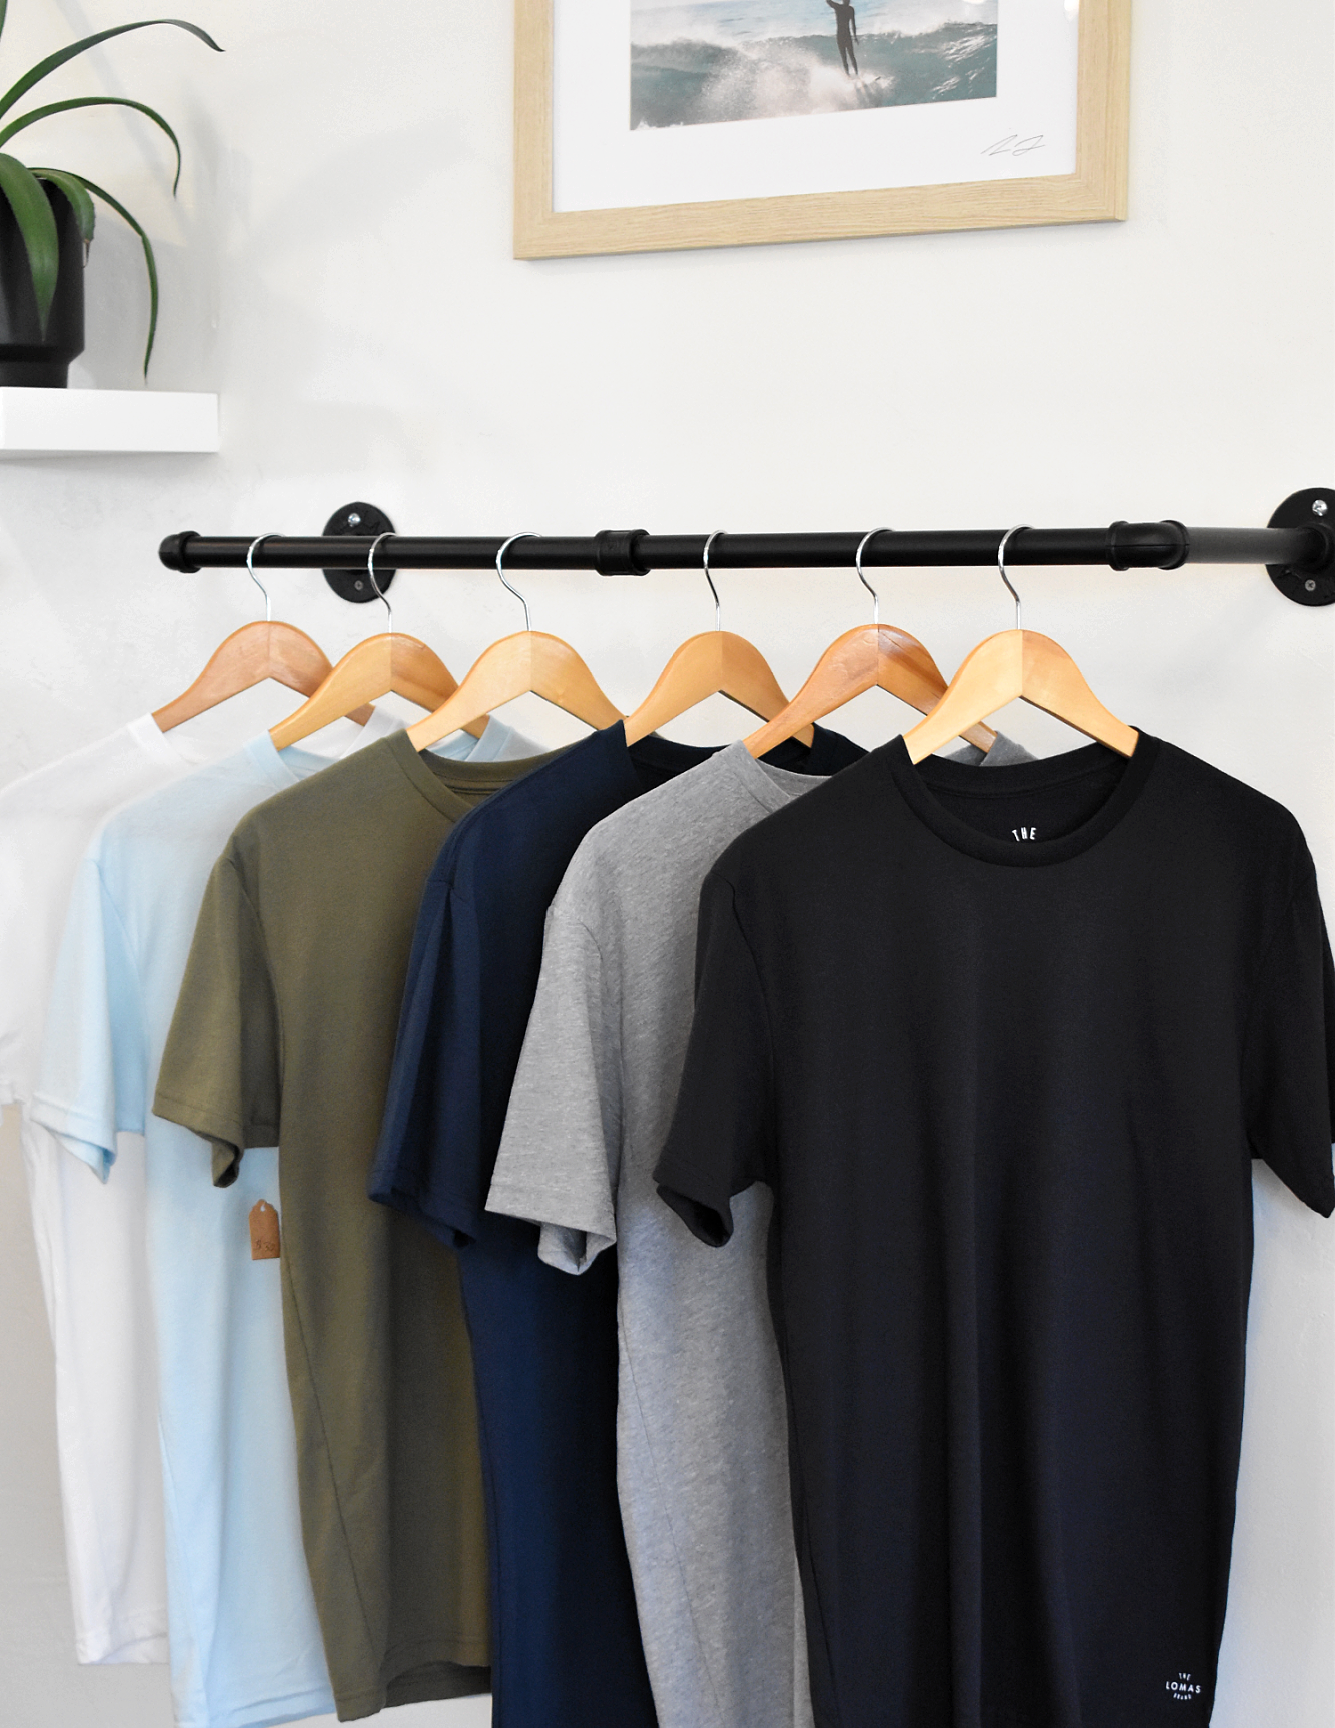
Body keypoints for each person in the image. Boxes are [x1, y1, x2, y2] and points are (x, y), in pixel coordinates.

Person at [825, 0, 859, 75]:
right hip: (841, 36)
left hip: (846, 35)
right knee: (844, 57)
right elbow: (829, 2)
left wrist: (855, 36)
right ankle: (848, 75)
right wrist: (854, 36)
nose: (848, 1)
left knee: (851, 56)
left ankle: (857, 74)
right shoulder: (839, 7)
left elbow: (853, 23)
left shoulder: (850, 9)